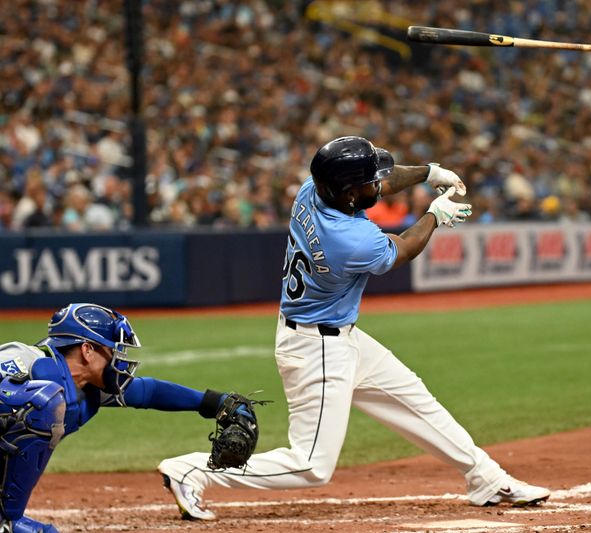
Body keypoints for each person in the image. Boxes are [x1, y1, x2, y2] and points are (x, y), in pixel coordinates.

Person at [158, 136, 551, 520]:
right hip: (318, 349)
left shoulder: (311, 189)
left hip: (336, 336)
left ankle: (487, 479)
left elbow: (381, 181)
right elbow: (403, 249)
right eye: (367, 183)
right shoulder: (349, 240)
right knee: (311, 465)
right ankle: (192, 470)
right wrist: (435, 216)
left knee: (415, 400)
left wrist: (428, 172)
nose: (377, 183)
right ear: (347, 193)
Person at [0, 303, 254, 533]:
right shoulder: (23, 362)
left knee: (42, 404)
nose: (118, 360)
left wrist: (215, 403)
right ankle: (7, 523)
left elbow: (150, 392)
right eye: (112, 350)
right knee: (39, 404)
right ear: (87, 350)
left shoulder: (87, 388)